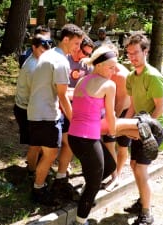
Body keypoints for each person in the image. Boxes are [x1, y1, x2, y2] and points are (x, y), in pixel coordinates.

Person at [27, 24, 84, 205]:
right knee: (50, 155)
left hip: (37, 111)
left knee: (61, 145)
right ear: (65, 39)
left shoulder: (47, 55)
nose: (78, 48)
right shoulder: (61, 62)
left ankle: (55, 180)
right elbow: (62, 94)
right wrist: (74, 118)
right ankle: (38, 190)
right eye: (76, 43)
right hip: (46, 115)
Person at [68, 46, 118, 225]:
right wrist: (113, 133)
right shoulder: (109, 85)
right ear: (99, 66)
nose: (115, 71)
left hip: (75, 137)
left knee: (110, 165)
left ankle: (86, 193)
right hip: (86, 139)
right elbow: (111, 115)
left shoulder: (82, 79)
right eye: (111, 67)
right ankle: (80, 221)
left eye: (116, 67)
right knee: (95, 183)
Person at [123, 33, 163, 225]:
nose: (132, 57)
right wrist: (123, 126)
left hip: (155, 127)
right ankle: (143, 199)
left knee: (141, 168)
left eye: (136, 53)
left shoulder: (153, 76)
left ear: (145, 51)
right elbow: (133, 105)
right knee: (134, 165)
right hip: (139, 125)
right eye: (129, 53)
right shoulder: (131, 77)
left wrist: (144, 129)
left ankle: (146, 213)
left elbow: (159, 108)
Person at [51, 35, 95, 201]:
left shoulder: (87, 65)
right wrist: (72, 92)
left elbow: (88, 87)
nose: (84, 56)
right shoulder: (65, 60)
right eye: (83, 51)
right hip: (58, 107)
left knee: (69, 142)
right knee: (54, 144)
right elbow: (58, 89)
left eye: (88, 54)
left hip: (75, 108)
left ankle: (61, 175)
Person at [13, 34, 52, 173]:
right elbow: (37, 93)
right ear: (33, 47)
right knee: (35, 144)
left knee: (37, 142)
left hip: (26, 106)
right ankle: (32, 171)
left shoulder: (36, 59)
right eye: (42, 50)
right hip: (25, 109)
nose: (45, 54)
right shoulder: (33, 67)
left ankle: (35, 165)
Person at [102, 44, 131, 191]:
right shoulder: (103, 70)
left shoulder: (121, 75)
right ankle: (111, 172)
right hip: (109, 111)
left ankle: (117, 175)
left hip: (124, 112)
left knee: (123, 145)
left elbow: (120, 102)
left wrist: (111, 123)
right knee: (108, 143)